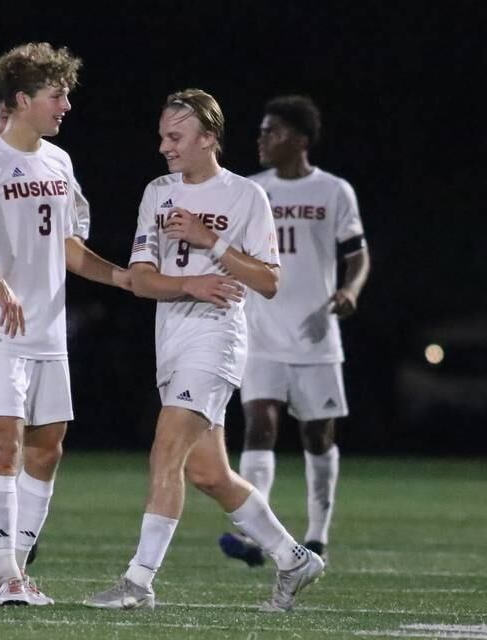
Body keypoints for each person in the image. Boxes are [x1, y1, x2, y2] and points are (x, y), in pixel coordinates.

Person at [83, 89, 324, 613]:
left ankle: (138, 581)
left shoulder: (245, 197)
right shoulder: (158, 192)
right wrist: (190, 284)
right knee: (208, 474)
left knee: (164, 451)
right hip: (170, 340)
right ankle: (293, 558)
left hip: (217, 341)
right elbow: (142, 281)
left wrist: (209, 243)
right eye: (163, 136)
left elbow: (268, 280)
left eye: (176, 137)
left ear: (209, 138)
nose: (165, 146)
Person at [0, 42, 129, 606]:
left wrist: (123, 279)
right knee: (5, 448)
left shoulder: (59, 163)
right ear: (22, 100)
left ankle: (12, 561)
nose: (65, 106)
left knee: (48, 450)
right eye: (56, 96)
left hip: (47, 330)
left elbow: (70, 248)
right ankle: (10, 574)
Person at [219, 95, 370, 568]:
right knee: (259, 425)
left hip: (314, 335)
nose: (262, 139)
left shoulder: (334, 191)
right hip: (260, 332)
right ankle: (255, 537)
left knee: (317, 437)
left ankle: (318, 535)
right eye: (262, 131)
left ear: (300, 140)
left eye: (273, 131)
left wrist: (351, 290)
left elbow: (357, 254)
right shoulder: (251, 190)